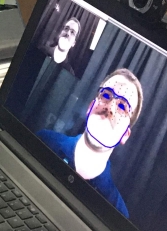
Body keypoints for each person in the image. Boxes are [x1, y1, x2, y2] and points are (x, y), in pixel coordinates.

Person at [36, 69, 144, 217]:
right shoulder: (44, 142)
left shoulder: (116, 210)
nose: (110, 107)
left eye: (122, 106)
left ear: (125, 135)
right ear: (90, 108)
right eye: (106, 95)